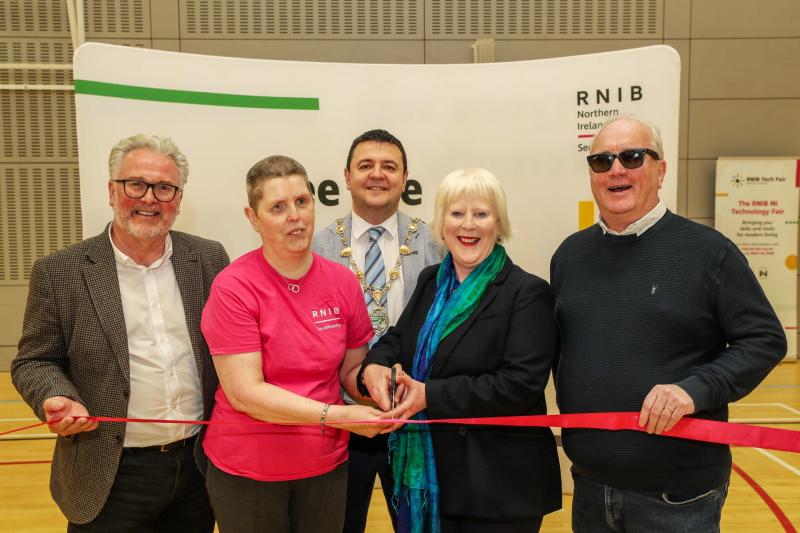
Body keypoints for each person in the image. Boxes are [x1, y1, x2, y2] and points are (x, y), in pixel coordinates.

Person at [550, 115, 787, 532]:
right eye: (602, 161)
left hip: (677, 497)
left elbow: (765, 340)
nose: (616, 169)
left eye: (633, 156)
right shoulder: (569, 257)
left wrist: (693, 391)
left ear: (661, 170)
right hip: (589, 486)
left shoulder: (710, 253)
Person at [11, 134, 229, 531]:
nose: (149, 199)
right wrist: (55, 395)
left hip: (198, 467)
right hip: (109, 471)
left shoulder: (209, 258)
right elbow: (34, 360)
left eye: (164, 188)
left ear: (179, 200)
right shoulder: (60, 271)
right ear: (112, 191)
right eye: (136, 185)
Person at [360, 168, 562, 533]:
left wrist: (428, 395)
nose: (468, 225)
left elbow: (519, 386)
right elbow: (397, 339)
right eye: (456, 213)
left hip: (498, 487)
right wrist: (373, 366)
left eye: (481, 214)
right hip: (432, 477)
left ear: (498, 223)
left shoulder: (526, 292)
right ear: (441, 224)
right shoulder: (431, 281)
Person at [200, 154, 390, 533]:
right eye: (278, 207)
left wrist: (376, 385)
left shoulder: (342, 282)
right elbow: (245, 393)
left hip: (325, 465)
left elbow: (350, 370)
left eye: (302, 202)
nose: (295, 216)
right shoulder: (233, 287)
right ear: (253, 218)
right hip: (249, 471)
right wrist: (335, 417)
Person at [313, 128, 443, 533]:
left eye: (389, 167)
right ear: (346, 176)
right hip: (337, 420)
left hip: (413, 418)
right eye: (366, 165)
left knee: (417, 526)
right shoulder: (314, 248)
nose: (377, 175)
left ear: (406, 179)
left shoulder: (438, 243)